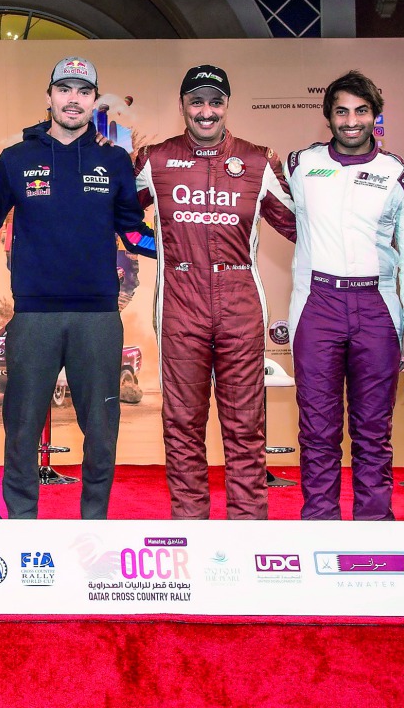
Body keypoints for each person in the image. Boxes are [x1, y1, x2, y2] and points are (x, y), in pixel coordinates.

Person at [0, 57, 156, 519]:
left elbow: (134, 232)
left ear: (95, 100)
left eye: (83, 91)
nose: (73, 99)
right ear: (49, 96)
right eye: (64, 89)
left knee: (101, 429)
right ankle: (21, 524)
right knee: (21, 427)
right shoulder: (17, 159)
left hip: (98, 317)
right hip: (33, 316)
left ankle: (94, 520)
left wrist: (183, 244)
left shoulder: (114, 161)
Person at [133, 64, 296, 520]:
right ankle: (191, 529)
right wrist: (162, 248)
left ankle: (247, 531)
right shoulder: (155, 159)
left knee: (246, 426)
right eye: (197, 101)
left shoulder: (259, 160)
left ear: (227, 105)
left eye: (215, 102)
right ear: (183, 105)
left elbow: (303, 227)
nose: (206, 112)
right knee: (182, 424)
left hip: (241, 304)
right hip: (180, 305)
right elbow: (116, 218)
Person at [285, 70, 404, 521]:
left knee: (373, 428)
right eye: (342, 111)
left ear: (374, 116)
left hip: (377, 306)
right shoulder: (300, 165)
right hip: (317, 304)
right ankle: (320, 523)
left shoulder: (402, 176)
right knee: (318, 428)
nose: (351, 120)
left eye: (361, 111)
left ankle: (374, 524)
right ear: (328, 116)